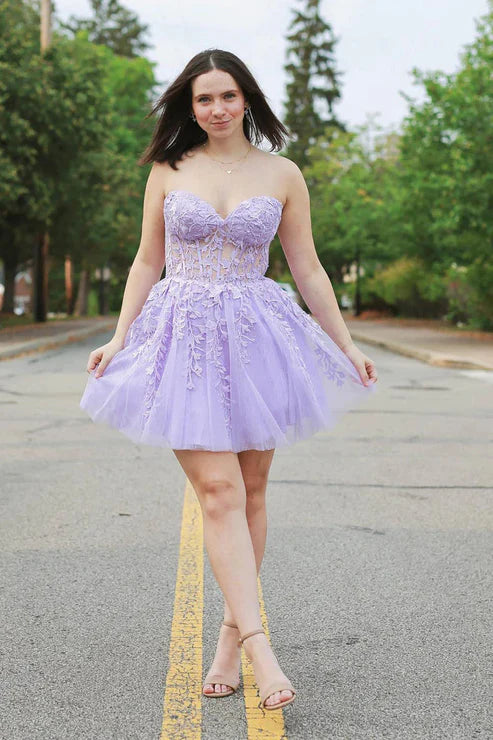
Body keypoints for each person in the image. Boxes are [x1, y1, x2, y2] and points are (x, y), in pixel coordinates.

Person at [80, 48, 378, 711]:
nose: (216, 108)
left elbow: (306, 266)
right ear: (190, 108)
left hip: (255, 336)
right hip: (182, 336)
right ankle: (261, 650)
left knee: (250, 490)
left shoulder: (282, 173)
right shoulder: (168, 168)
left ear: (247, 100)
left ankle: (226, 641)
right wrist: (120, 336)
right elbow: (146, 261)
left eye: (227, 96)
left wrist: (346, 343)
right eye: (203, 99)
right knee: (217, 491)